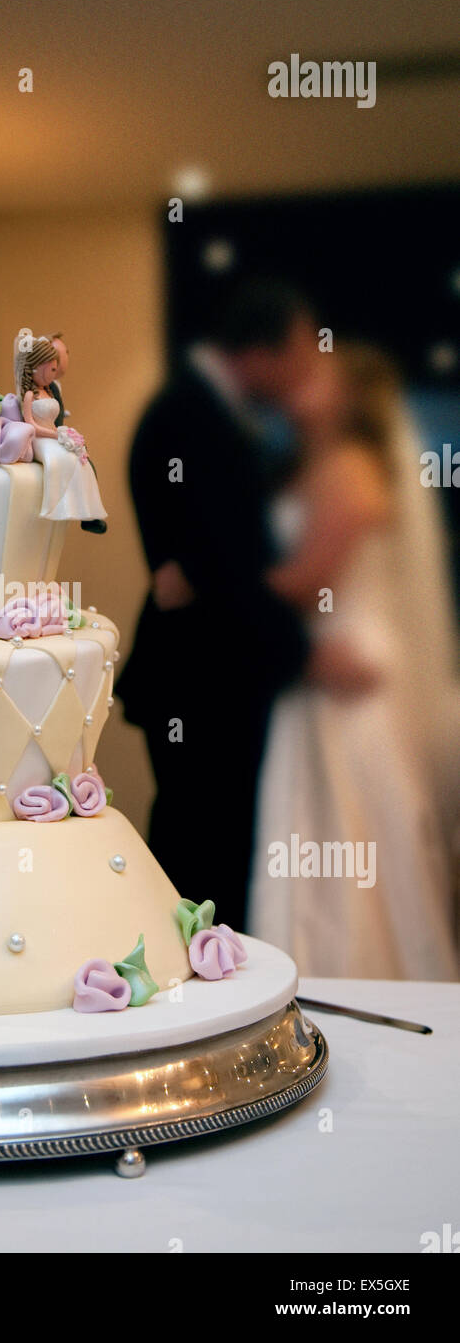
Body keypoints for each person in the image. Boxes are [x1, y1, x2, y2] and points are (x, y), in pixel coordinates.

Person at [118, 280, 374, 929]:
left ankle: (209, 979)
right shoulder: (186, 416)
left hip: (224, 672)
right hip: (204, 680)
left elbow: (217, 567)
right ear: (264, 350)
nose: (305, 374)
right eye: (300, 354)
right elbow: (226, 567)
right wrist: (306, 656)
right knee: (202, 850)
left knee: (216, 847)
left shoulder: (215, 413)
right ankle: (189, 995)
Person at [248, 344, 460, 977]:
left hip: (345, 665)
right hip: (324, 661)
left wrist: (220, 579)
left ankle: (352, 970)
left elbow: (313, 582)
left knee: (356, 820)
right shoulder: (313, 465)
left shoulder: (350, 468)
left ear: (349, 398)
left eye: (324, 378)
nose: (307, 385)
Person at [14, 331, 108, 529]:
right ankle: (59, 507)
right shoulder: (30, 395)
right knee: (62, 459)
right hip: (40, 438)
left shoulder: (49, 391)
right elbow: (30, 424)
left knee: (80, 456)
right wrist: (55, 434)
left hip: (53, 434)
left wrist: (66, 434)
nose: (53, 373)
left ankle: (87, 511)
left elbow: (56, 419)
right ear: (37, 368)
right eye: (51, 369)